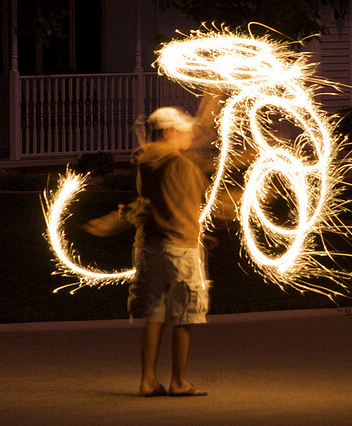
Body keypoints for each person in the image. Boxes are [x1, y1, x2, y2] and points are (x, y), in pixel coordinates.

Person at [124, 106, 211, 397]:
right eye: (184, 130)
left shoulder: (146, 163)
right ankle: (178, 381)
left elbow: (161, 204)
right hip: (181, 249)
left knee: (155, 314)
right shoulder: (182, 166)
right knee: (184, 316)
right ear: (169, 132)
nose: (190, 135)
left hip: (149, 247)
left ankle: (148, 381)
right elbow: (188, 206)